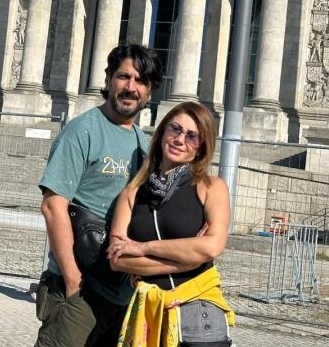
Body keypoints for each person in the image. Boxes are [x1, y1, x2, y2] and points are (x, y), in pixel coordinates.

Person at [34, 43, 163, 347]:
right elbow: (54, 206)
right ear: (108, 80)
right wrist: (72, 282)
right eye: (124, 77)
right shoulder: (83, 131)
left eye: (141, 81)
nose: (131, 87)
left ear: (150, 92)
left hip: (120, 293)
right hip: (81, 288)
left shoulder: (143, 146)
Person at [107, 101, 234, 346]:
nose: (179, 139)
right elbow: (118, 259)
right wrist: (191, 259)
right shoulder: (132, 193)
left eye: (191, 136)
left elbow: (212, 247)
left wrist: (143, 248)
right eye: (174, 129)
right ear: (162, 132)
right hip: (150, 315)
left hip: (199, 314)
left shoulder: (211, 187)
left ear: (200, 148)